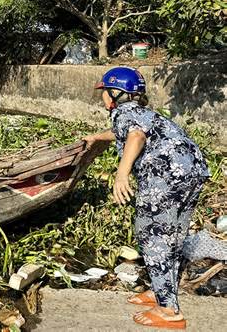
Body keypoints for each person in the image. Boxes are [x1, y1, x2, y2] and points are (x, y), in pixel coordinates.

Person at [83, 67, 210, 330]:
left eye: (105, 93)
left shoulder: (122, 113)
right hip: (191, 172)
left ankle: (169, 311)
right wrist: (98, 137)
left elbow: (135, 135)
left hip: (164, 176)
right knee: (173, 236)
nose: (104, 98)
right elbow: (128, 131)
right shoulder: (143, 113)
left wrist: (121, 174)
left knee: (153, 236)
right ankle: (162, 290)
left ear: (116, 93)